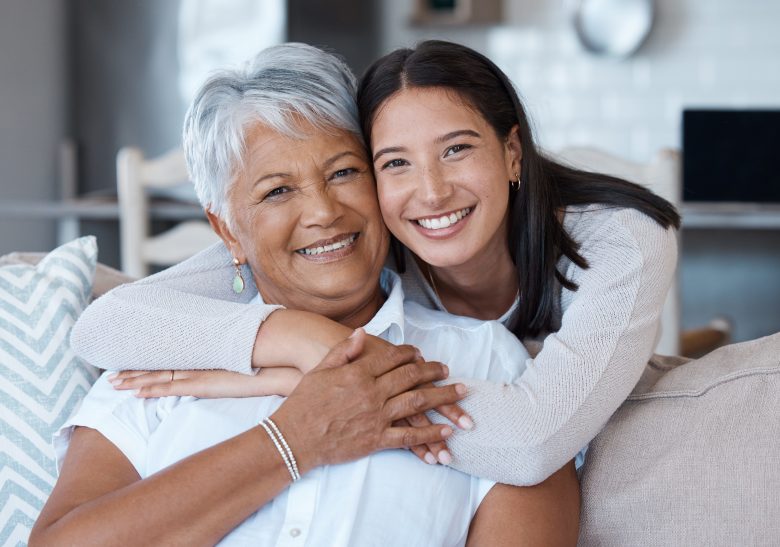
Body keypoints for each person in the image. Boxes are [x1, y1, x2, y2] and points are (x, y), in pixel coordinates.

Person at [33, 43, 579, 546]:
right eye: (277, 191)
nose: (323, 213)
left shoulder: (485, 364)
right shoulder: (159, 372)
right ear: (226, 231)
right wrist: (294, 439)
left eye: (343, 172)